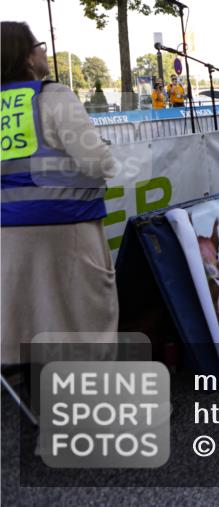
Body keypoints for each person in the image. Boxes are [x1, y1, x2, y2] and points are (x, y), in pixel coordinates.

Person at [1, 22, 119, 365]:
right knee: (84, 326)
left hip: (5, 240)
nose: (44, 51)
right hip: (65, 233)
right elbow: (97, 163)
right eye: (39, 45)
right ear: (26, 58)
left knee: (23, 328)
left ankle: (31, 410)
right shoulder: (52, 96)